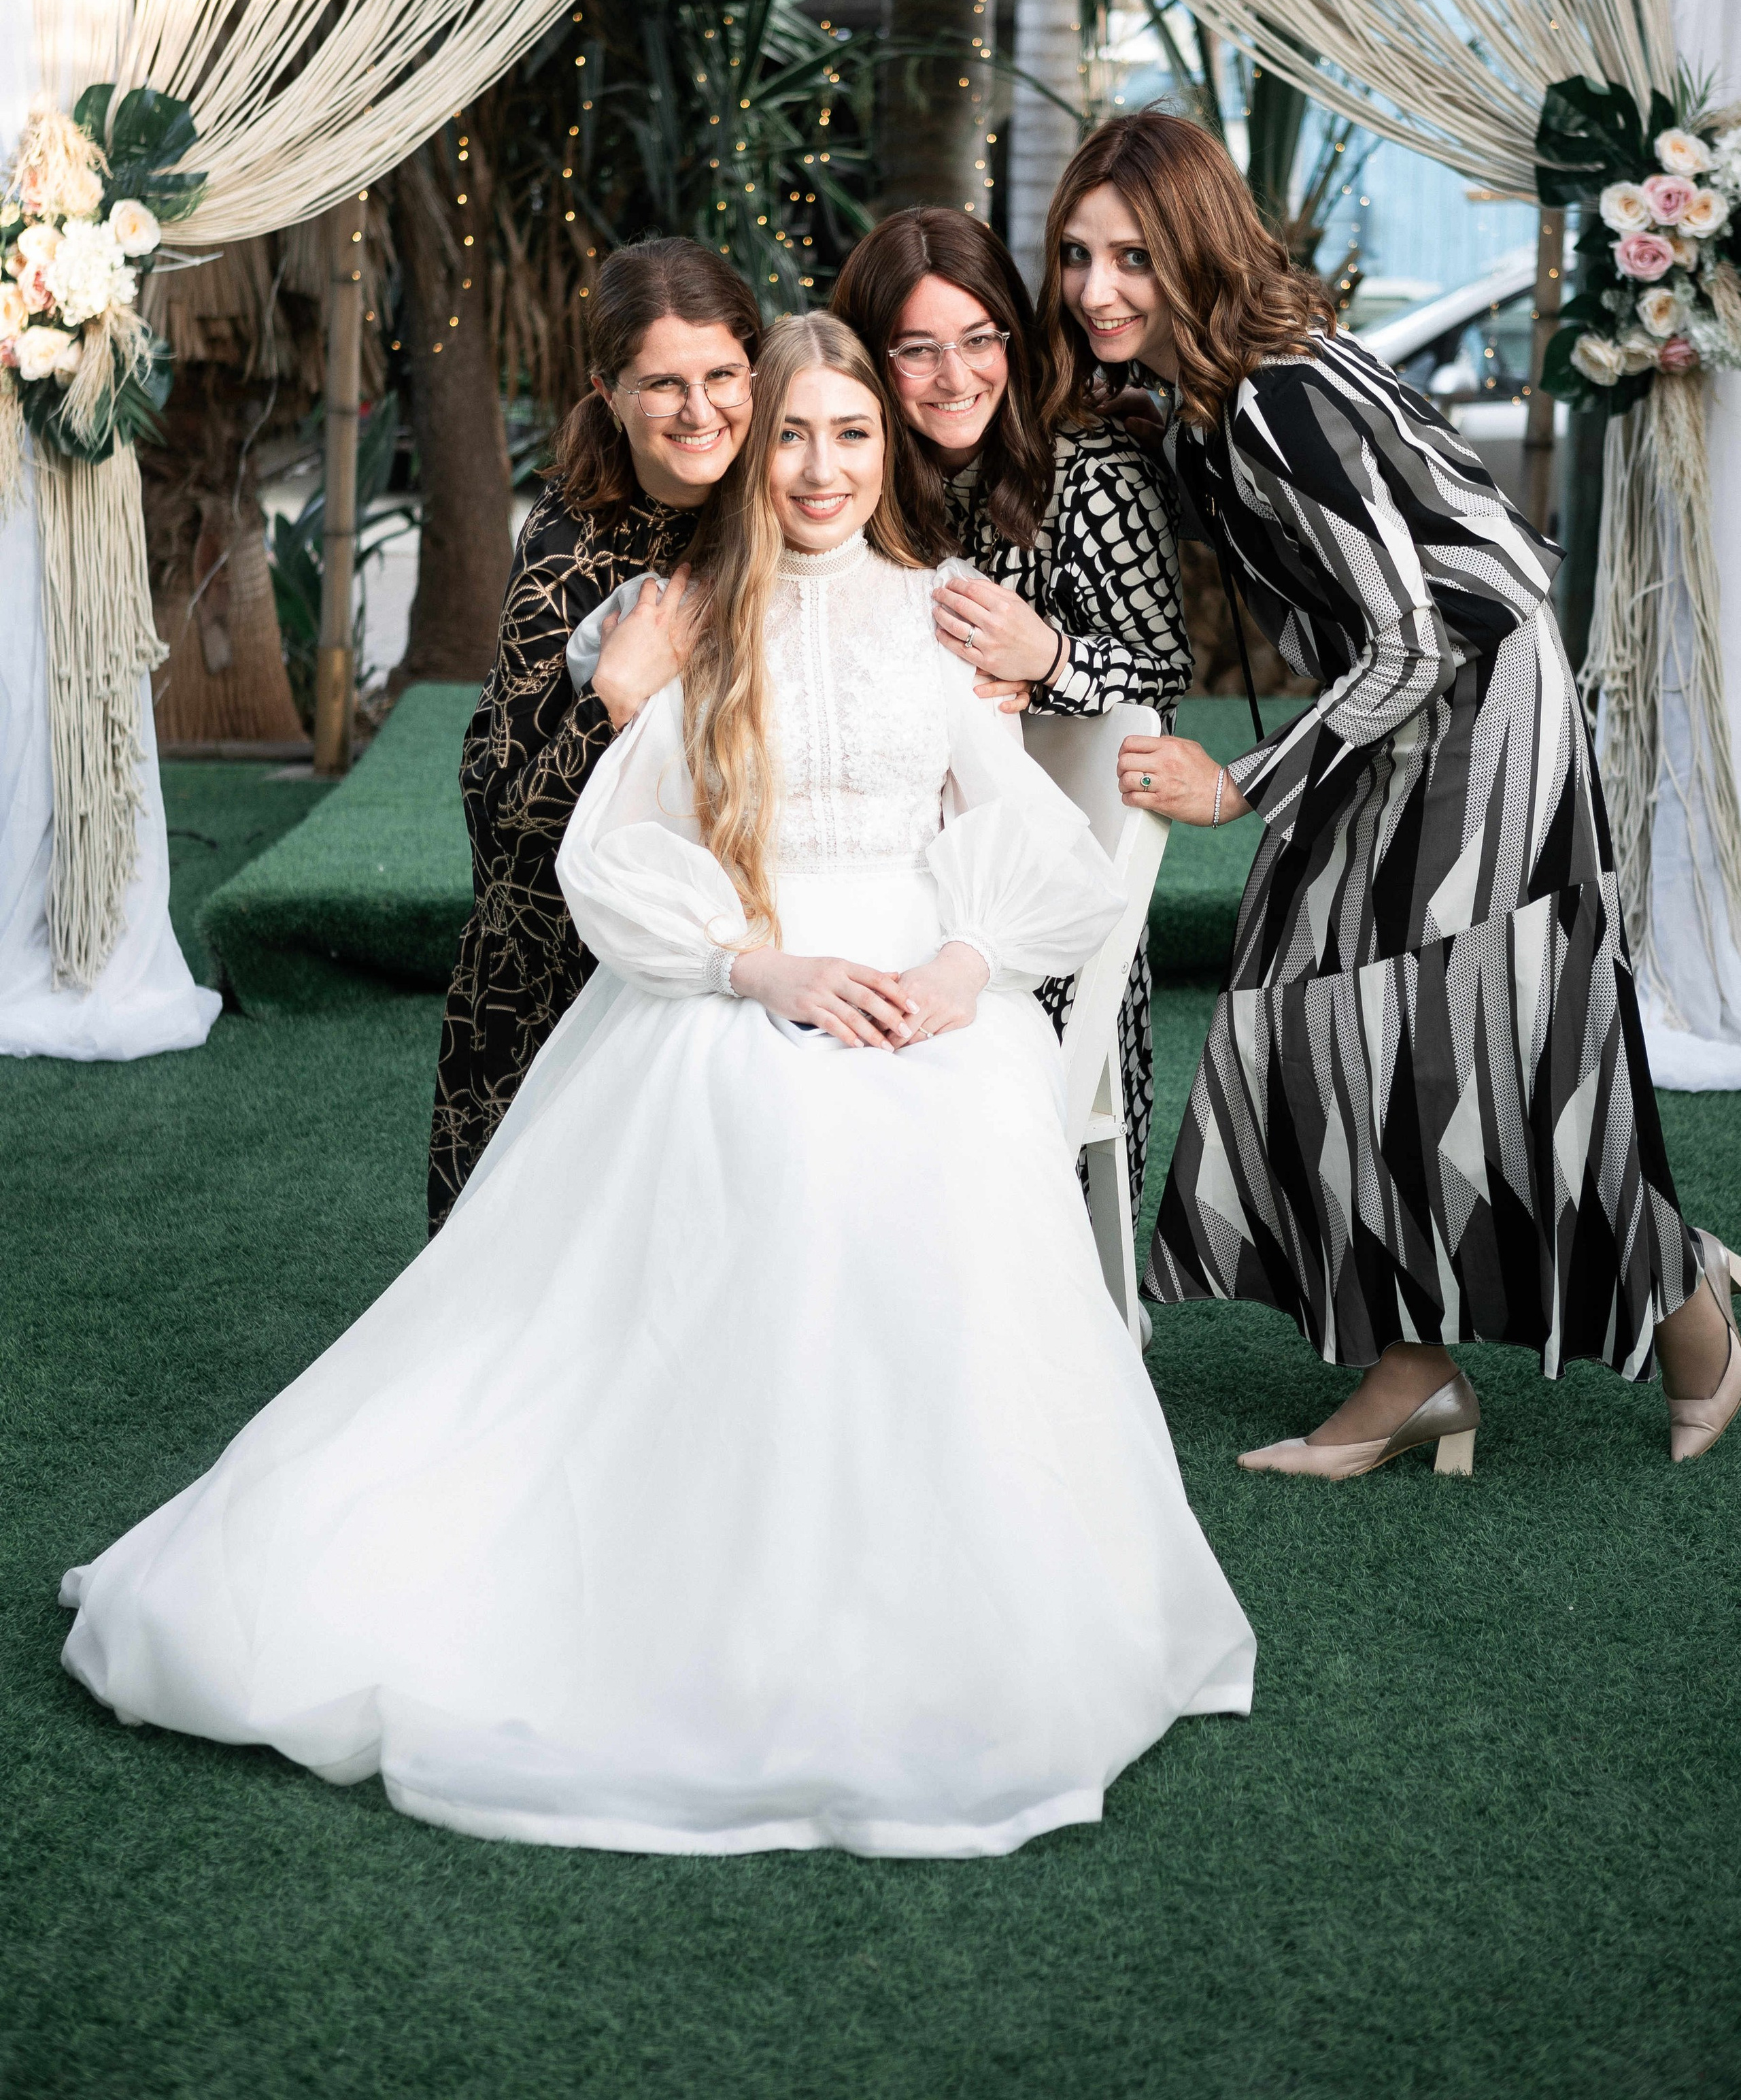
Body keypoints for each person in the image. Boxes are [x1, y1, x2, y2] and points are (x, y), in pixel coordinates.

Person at [58, 312, 1255, 1857]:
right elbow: (613, 852)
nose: (820, 468)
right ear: (756, 455)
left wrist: (958, 978)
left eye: (853, 436)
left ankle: (921, 1605)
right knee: (754, 1118)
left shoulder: (938, 612)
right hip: (737, 970)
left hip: (923, 985)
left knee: (935, 1135)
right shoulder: (700, 613)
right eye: (795, 436)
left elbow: (1025, 840)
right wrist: (760, 971)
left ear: (883, 454)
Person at [1046, 109, 1741, 1476]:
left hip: (1476, 707)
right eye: (1074, 255)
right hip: (1420, 701)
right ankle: (1430, 1362)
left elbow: (1414, 634)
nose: (1093, 289)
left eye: (1130, 256)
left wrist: (1237, 783)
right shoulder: (1225, 386)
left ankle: (1675, 1310)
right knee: (1357, 1018)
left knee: (1462, 1028)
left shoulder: (1268, 400)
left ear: (1194, 249)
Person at [833, 207, 1192, 1219]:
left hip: (1039, 879)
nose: (958, 378)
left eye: (980, 340)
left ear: (1013, 340)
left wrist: (1054, 660)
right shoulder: (854, 476)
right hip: (889, 846)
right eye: (918, 351)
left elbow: (1162, 679)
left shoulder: (1092, 476)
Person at [426, 237, 760, 1233]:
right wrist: (611, 700)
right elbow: (498, 814)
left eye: (722, 376)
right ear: (608, 390)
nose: (701, 412)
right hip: (564, 958)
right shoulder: (573, 537)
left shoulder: (797, 501)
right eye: (663, 383)